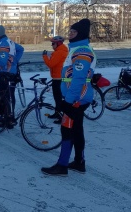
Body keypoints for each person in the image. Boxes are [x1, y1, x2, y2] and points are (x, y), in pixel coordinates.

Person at [41, 18, 96, 176]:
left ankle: (62, 165)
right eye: (70, 31)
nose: (70, 34)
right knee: (77, 130)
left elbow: (78, 79)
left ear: (80, 34)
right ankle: (79, 162)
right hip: (78, 97)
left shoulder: (82, 51)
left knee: (67, 130)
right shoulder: (77, 49)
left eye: (73, 32)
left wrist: (68, 101)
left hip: (76, 98)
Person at [42, 36, 69, 123]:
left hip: (58, 78)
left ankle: (61, 116)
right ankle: (58, 113)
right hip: (60, 77)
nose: (51, 45)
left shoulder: (59, 52)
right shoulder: (62, 51)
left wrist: (45, 56)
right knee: (58, 98)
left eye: (53, 44)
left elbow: (51, 64)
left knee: (58, 98)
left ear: (58, 44)